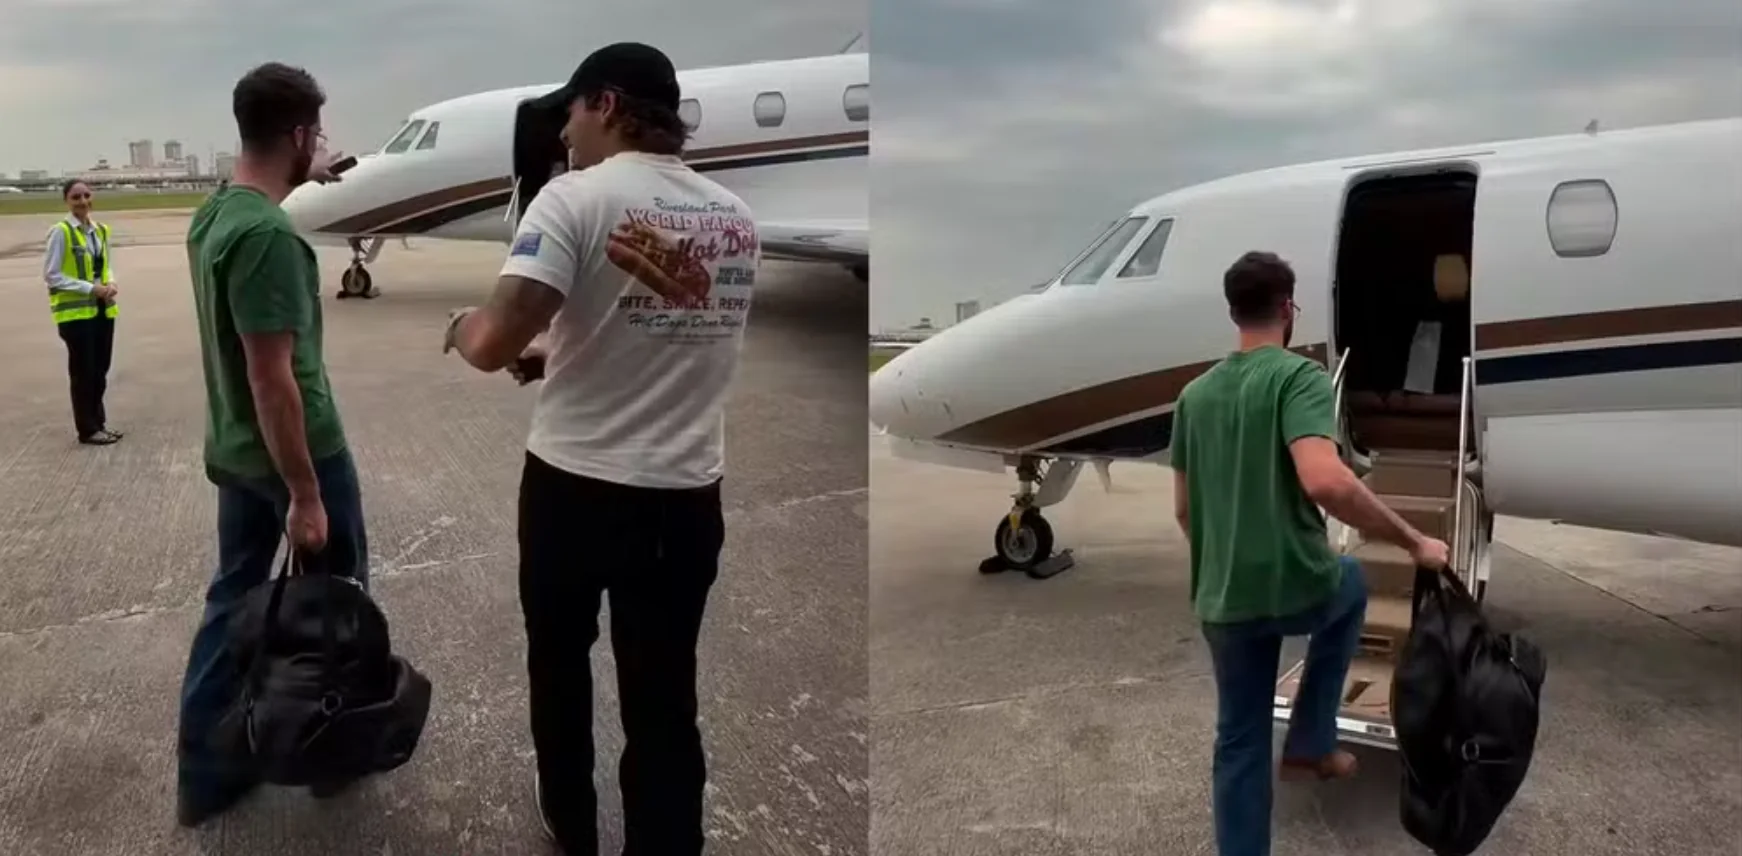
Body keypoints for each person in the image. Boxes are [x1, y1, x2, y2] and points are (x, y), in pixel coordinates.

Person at [443, 42, 758, 856]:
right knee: (664, 695)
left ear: (607, 105)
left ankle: (572, 822)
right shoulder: (735, 217)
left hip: (574, 490)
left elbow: (494, 339)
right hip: (685, 496)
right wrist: (561, 351)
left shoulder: (572, 199)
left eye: (572, 113)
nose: (564, 134)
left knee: (559, 663)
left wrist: (465, 328)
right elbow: (671, 330)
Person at [1169, 251, 1450, 856]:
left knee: (1238, 740)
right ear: (1287, 309)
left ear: (1233, 313)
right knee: (1350, 583)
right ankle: (1310, 741)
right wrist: (1414, 541)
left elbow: (1184, 510)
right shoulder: (1299, 378)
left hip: (1223, 597)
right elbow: (1325, 481)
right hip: (1295, 583)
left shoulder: (1192, 397)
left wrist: (1228, 562)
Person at [175, 61, 354, 828]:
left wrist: (311, 171)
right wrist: (307, 495)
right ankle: (331, 751)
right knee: (334, 605)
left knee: (234, 599)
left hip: (237, 451)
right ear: (301, 133)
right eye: (318, 134)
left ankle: (206, 774)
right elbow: (272, 377)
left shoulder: (216, 214)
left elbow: (261, 199)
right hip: (296, 453)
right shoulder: (268, 237)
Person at [42, 179, 123, 445]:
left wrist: (111, 282)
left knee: (100, 370)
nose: (83, 201)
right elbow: (52, 275)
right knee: (83, 372)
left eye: (87, 195)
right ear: (67, 201)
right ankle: (87, 429)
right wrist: (90, 288)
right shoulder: (61, 232)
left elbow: (105, 265)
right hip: (75, 315)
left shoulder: (100, 231)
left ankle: (99, 423)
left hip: (102, 310)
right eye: (76, 197)